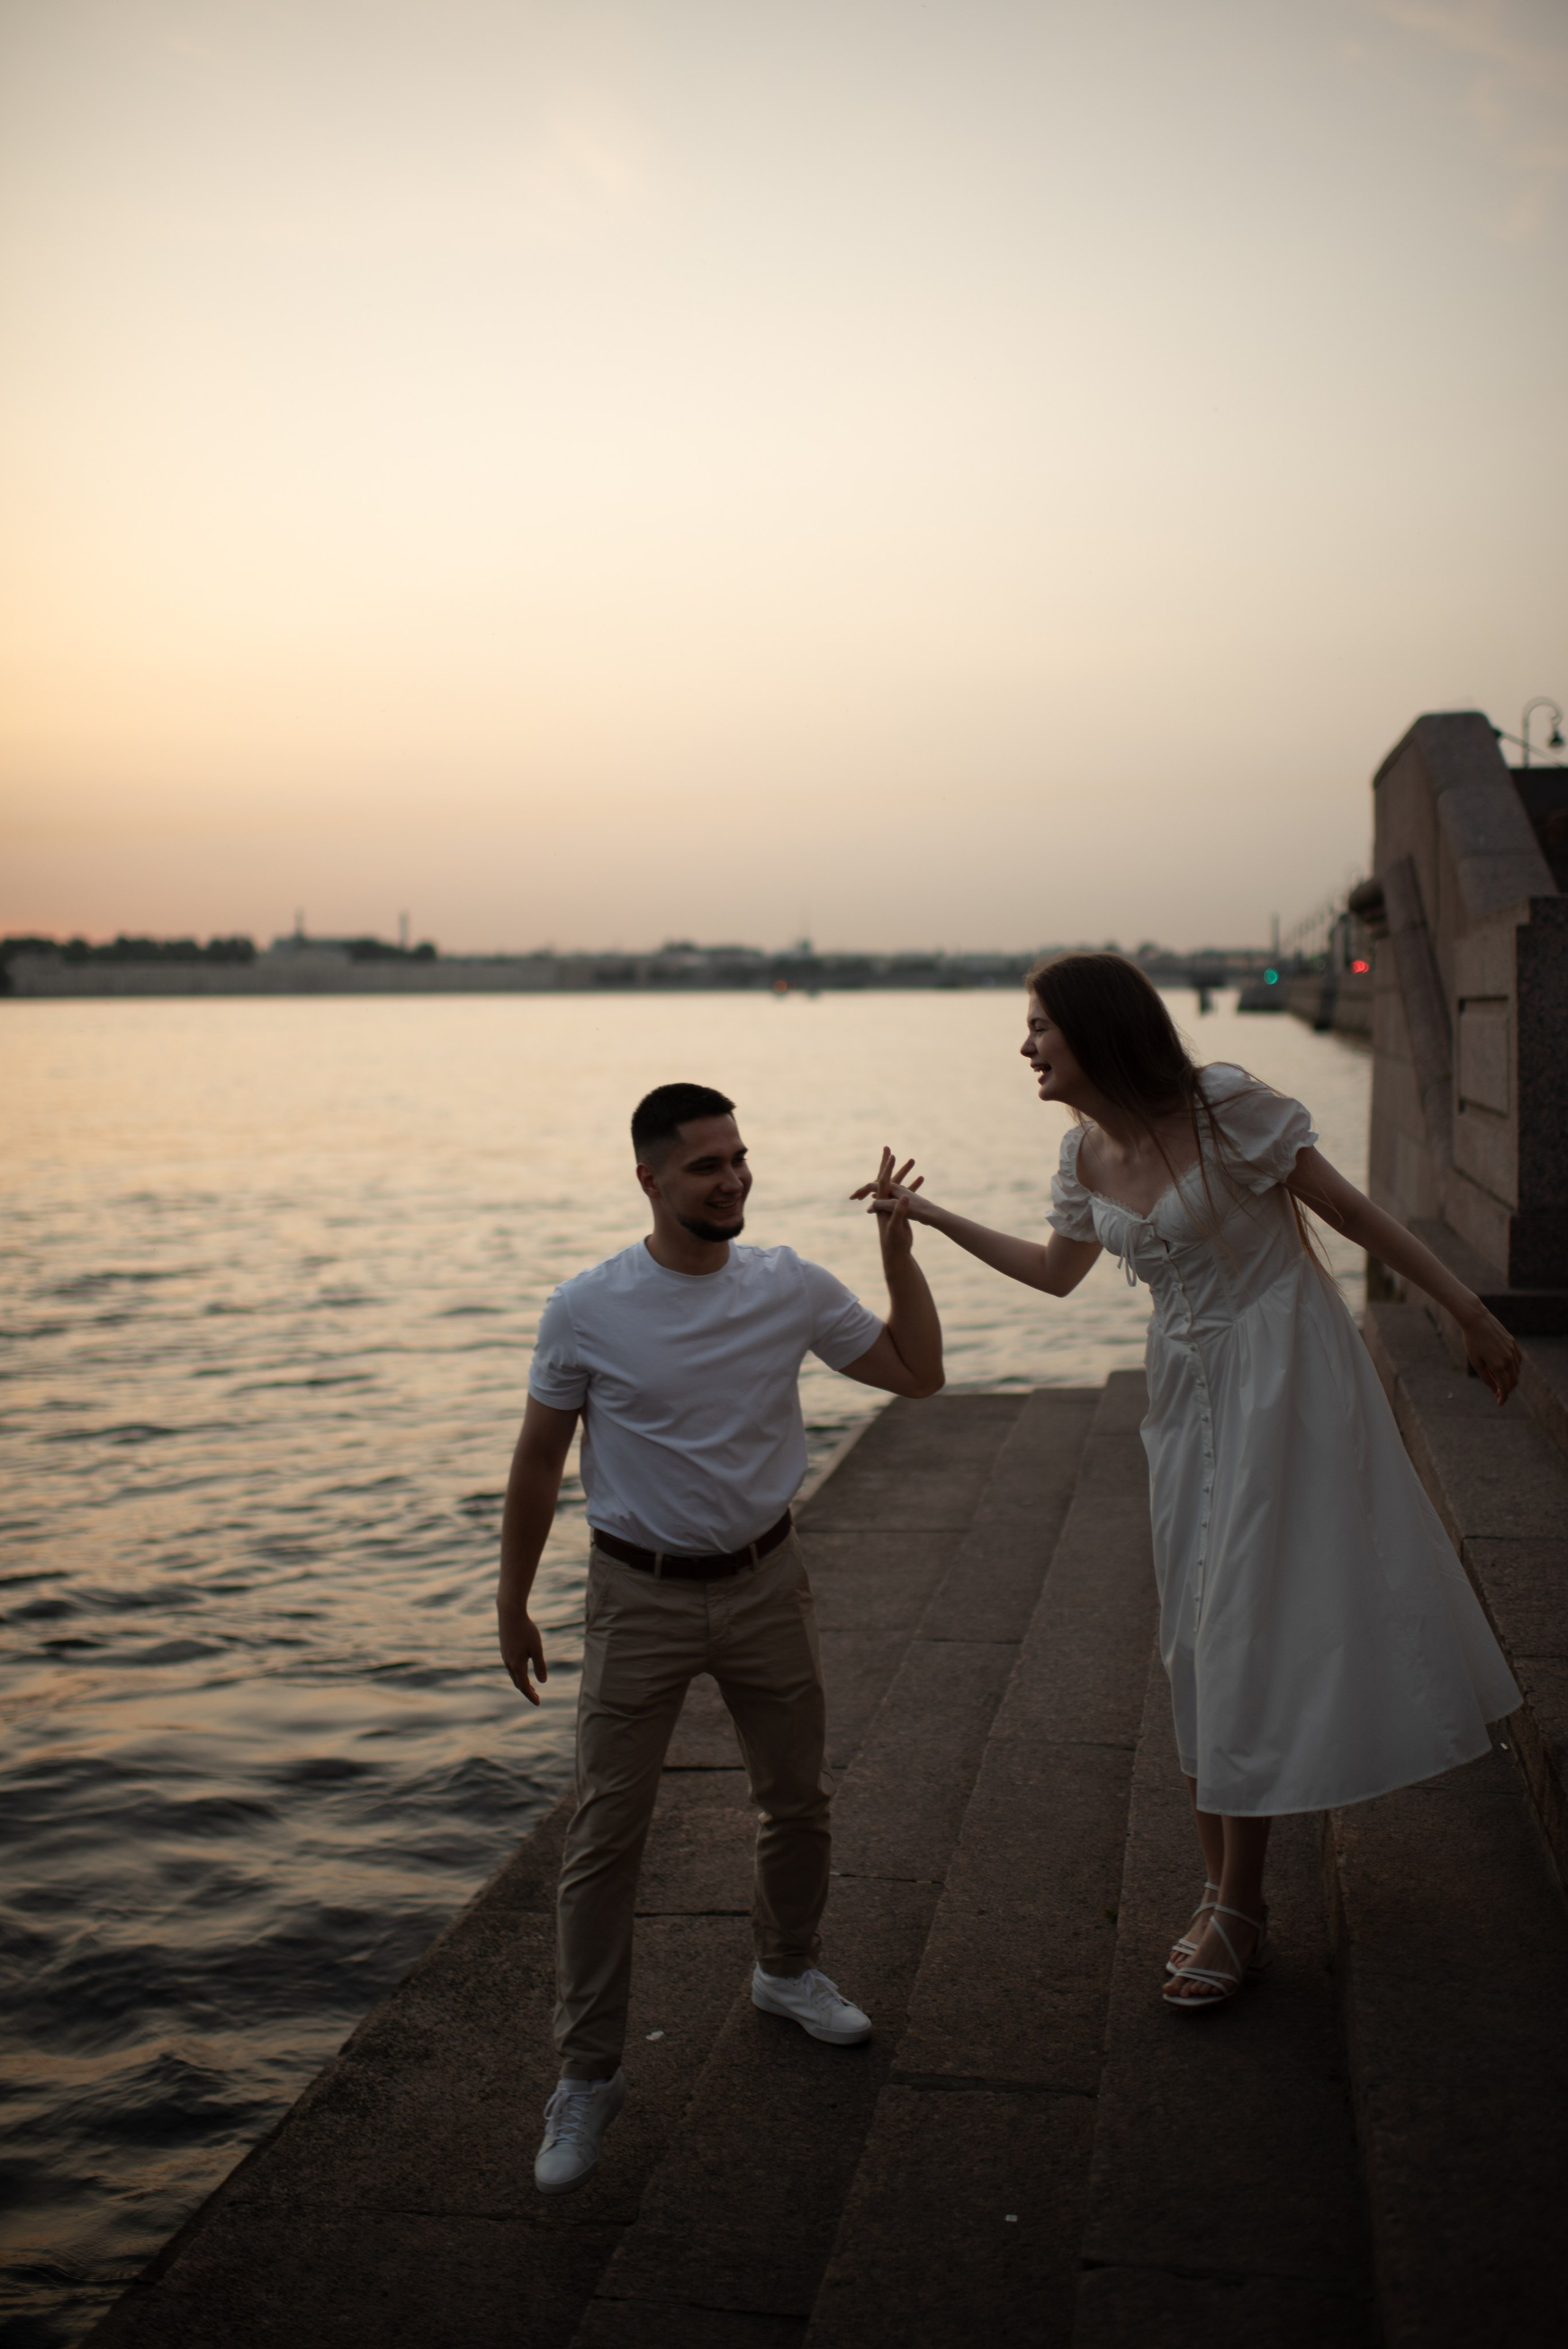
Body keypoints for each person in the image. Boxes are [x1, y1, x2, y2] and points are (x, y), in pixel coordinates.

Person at [857, 954, 1521, 2012]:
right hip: (1186, 1390)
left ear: (1095, 1030)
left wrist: (1471, 1315)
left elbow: (1350, 1215)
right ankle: (1224, 1891)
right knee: (1189, 1637)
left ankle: (1239, 1909)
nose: (1024, 1048)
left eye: (1039, 1028)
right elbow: (1054, 1272)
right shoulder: (1082, 1150)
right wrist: (928, 1223)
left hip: (1287, 1372)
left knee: (1238, 1628)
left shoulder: (1227, 1108)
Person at [498, 1082, 943, 2191]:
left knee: (798, 1800)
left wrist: (897, 1249)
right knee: (607, 1836)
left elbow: (916, 1376)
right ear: (650, 1179)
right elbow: (539, 1460)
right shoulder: (587, 1307)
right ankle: (588, 2075)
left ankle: (786, 1972)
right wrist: (511, 1602)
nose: (732, 1178)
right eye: (706, 1165)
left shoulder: (787, 1284)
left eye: (739, 1157)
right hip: (635, 1596)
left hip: (764, 1582)